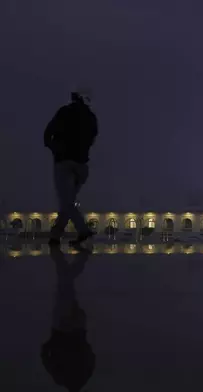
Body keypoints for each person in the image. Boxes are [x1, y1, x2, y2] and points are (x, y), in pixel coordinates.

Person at [44, 89, 98, 246]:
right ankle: (55, 236)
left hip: (64, 163)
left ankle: (83, 231)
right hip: (81, 165)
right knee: (68, 202)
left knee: (66, 202)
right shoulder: (91, 117)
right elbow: (92, 138)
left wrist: (56, 149)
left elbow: (47, 134)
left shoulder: (64, 112)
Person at [41, 243, 95, 392]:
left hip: (75, 330)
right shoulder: (61, 377)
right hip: (62, 330)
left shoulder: (82, 375)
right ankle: (71, 259)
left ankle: (76, 259)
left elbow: (91, 356)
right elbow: (46, 357)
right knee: (65, 288)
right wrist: (50, 343)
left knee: (66, 288)